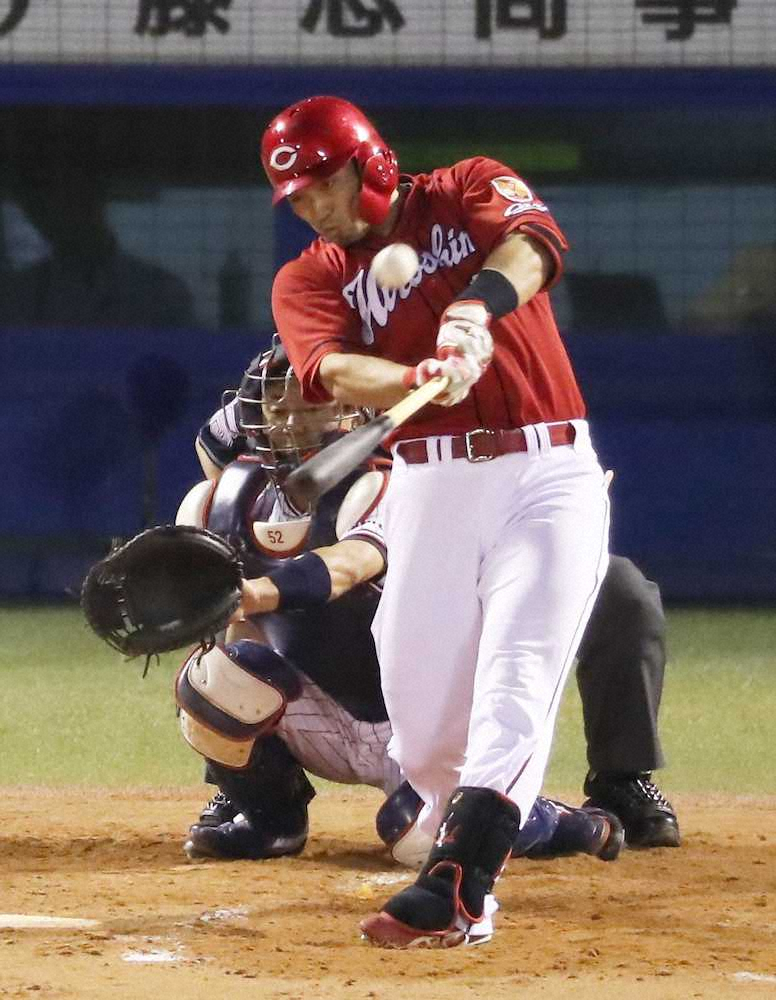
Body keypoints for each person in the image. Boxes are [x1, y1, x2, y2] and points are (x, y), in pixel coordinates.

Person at [261, 95, 612, 947]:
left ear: (370, 162)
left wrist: (475, 309)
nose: (312, 205)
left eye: (322, 183)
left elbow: (533, 246)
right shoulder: (308, 277)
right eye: (297, 196)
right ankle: (524, 817)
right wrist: (418, 372)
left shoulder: (466, 188)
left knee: (517, 673)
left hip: (544, 471)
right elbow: (332, 369)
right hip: (427, 484)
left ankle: (460, 889)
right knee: (422, 726)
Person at [181, 346, 678, 869]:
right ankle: (259, 804)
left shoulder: (474, 345)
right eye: (282, 409)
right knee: (218, 670)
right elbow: (220, 443)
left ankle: (593, 797)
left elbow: (351, 561)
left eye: (310, 407)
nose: (292, 418)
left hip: (497, 523)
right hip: (345, 669)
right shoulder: (331, 341)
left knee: (620, 593)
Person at [2, 162, 194, 329]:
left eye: (70, 198)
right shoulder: (18, 297)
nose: (54, 215)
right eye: (38, 207)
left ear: (94, 196)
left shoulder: (160, 293)